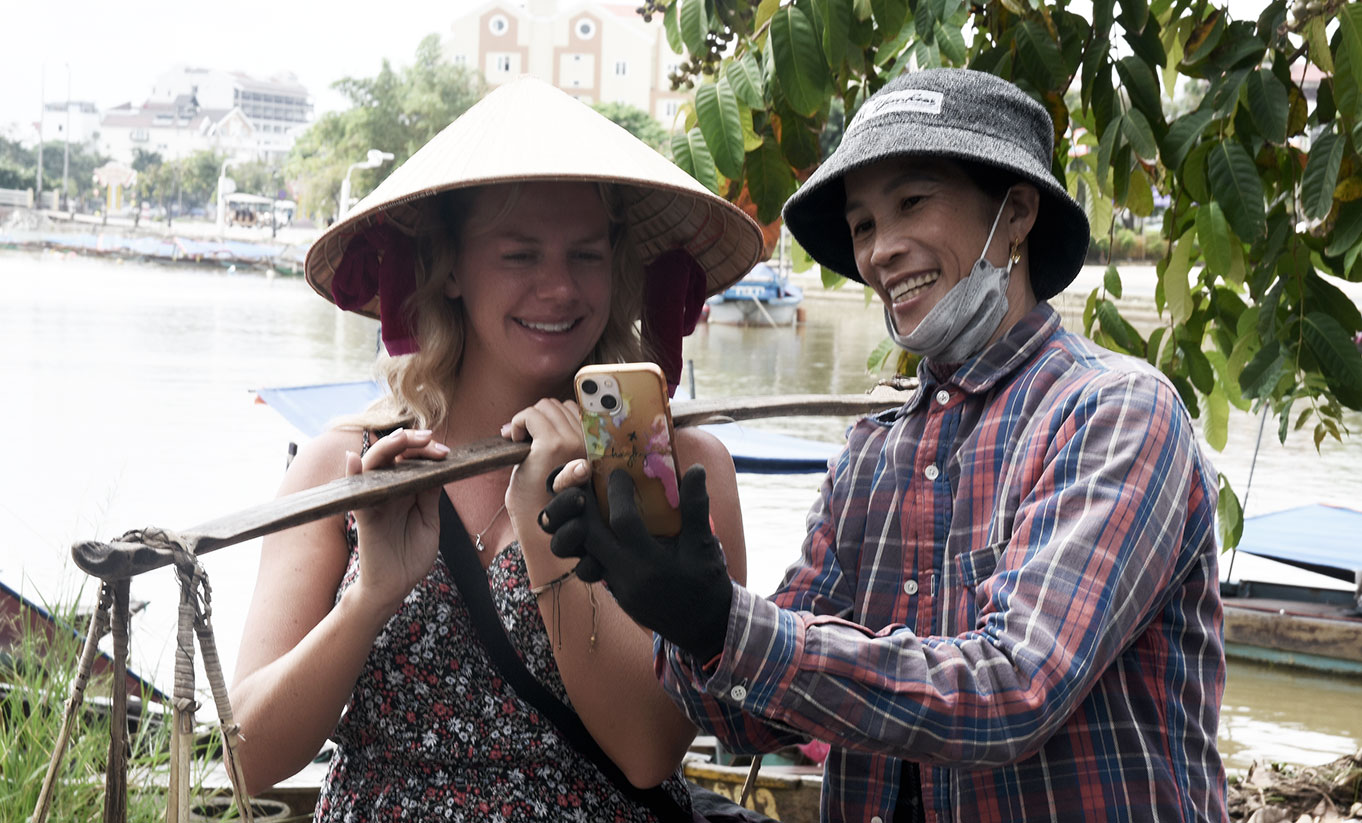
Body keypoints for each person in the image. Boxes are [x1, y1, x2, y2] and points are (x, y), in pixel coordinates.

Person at [541, 68, 1228, 822]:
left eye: (911, 202)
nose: (882, 251)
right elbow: (750, 718)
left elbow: (1015, 689)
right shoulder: (872, 453)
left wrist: (723, 622)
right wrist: (673, 608)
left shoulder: (1115, 411)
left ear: (1017, 212)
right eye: (864, 224)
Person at [230, 76, 765, 821]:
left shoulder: (670, 466)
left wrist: (551, 535)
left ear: (616, 267)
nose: (559, 289)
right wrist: (370, 595)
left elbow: (651, 749)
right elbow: (244, 754)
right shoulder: (349, 466)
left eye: (585, 256)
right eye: (520, 256)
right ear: (449, 267)